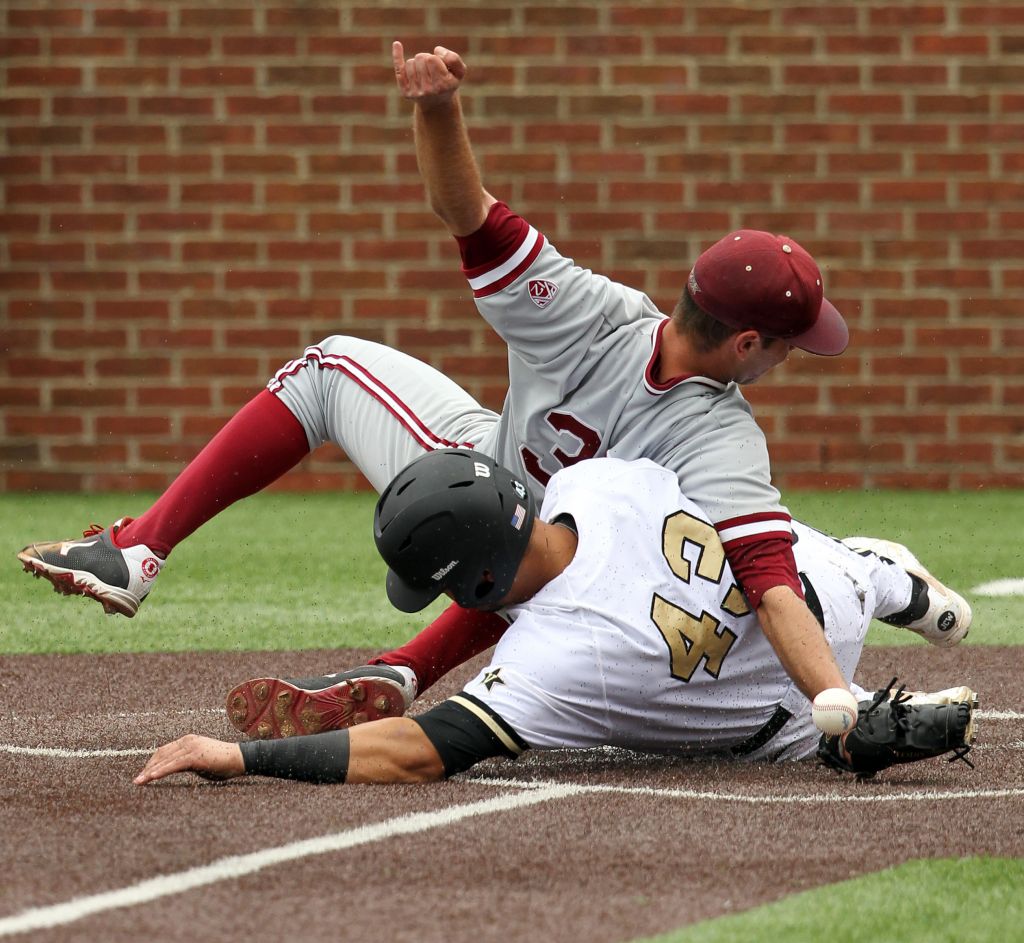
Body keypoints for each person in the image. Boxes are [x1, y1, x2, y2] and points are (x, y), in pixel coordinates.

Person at [19, 42, 970, 736]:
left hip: (552, 555)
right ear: (749, 341)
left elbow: (467, 219)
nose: (794, 359)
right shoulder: (702, 416)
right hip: (522, 516)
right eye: (792, 345)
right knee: (379, 408)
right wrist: (834, 704)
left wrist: (436, 107)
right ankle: (199, 579)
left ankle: (183, 566)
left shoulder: (610, 324)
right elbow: (768, 587)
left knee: (498, 518)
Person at [135, 450, 977, 787]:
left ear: (479, 581)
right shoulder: (594, 476)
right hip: (808, 572)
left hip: (778, 718)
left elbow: (419, 750)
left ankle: (865, 720)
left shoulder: (554, 655)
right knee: (834, 566)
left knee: (809, 730)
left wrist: (243, 756)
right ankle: (901, 589)